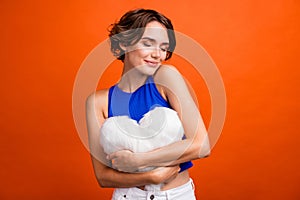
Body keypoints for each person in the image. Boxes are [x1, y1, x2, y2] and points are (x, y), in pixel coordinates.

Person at [85, 8, 210, 200]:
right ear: (125, 43)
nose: (157, 54)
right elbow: (103, 176)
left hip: (176, 195)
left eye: (163, 47)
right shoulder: (98, 102)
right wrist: (151, 175)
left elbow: (201, 145)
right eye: (148, 43)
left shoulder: (166, 77)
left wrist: (138, 161)